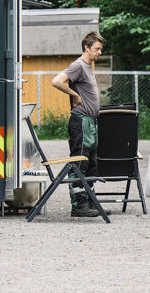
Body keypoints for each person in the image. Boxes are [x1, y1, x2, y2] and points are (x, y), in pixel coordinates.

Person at [51, 31, 105, 217]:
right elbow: (57, 81)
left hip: (91, 123)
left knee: (92, 165)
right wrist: (74, 95)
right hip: (80, 122)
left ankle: (90, 202)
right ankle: (79, 206)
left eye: (100, 49)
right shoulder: (78, 65)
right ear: (86, 48)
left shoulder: (89, 67)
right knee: (79, 164)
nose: (99, 53)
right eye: (97, 49)